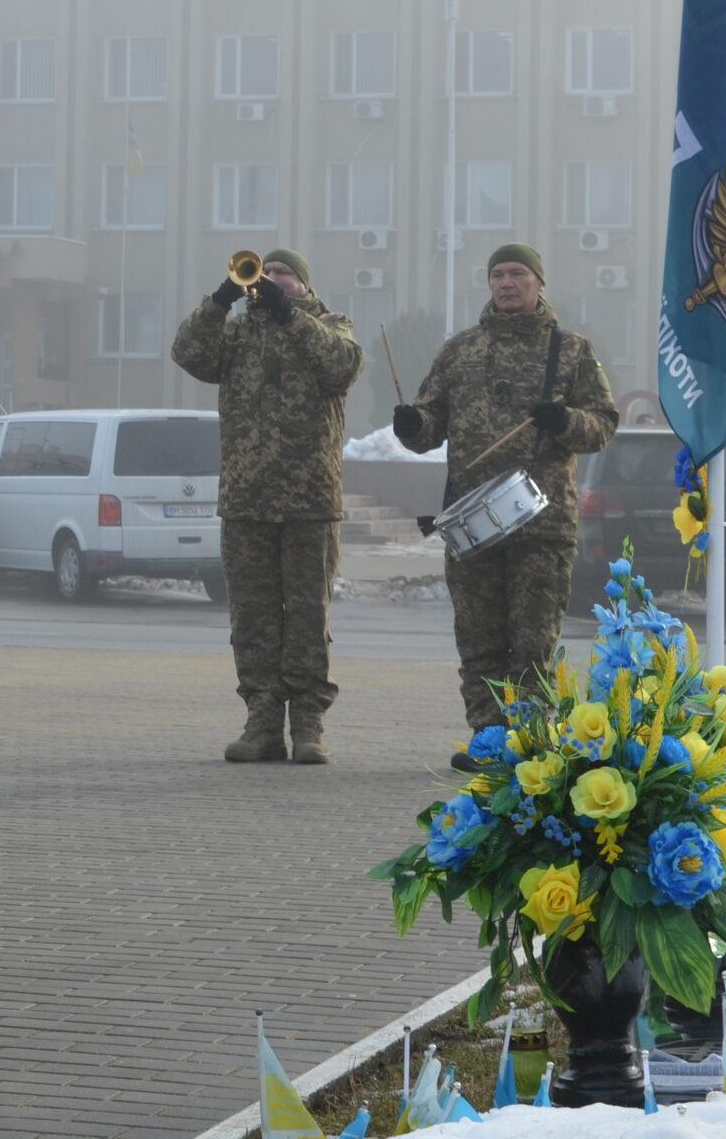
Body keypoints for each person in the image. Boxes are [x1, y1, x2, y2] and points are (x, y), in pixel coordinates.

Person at [392, 244, 617, 769]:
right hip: (471, 521)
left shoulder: (571, 350)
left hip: (543, 522)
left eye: (518, 273)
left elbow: (603, 424)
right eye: (497, 274)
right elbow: (430, 423)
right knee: (478, 639)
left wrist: (564, 421)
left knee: (533, 642)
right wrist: (413, 426)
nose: (507, 282)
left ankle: (532, 746)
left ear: (540, 283)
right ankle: (489, 740)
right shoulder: (459, 350)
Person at [170, 247, 361, 766]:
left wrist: (288, 313)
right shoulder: (236, 334)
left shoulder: (331, 324)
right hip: (246, 499)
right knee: (252, 620)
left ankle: (308, 726)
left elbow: (341, 368)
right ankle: (261, 723)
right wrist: (220, 300)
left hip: (309, 502)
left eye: (283, 273)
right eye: (264, 273)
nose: (270, 279)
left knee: (306, 618)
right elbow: (187, 352)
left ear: (302, 282)